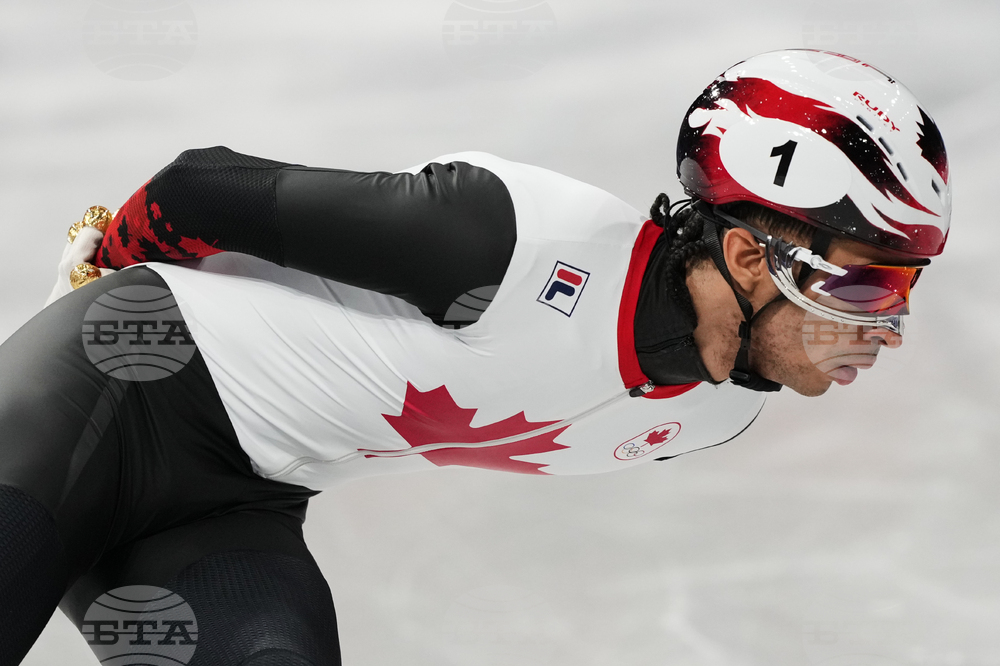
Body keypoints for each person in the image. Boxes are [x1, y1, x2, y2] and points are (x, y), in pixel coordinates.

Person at [2, 49, 950, 665]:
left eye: (905, 294)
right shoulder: (521, 245)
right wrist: (91, 321)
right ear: (748, 255)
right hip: (99, 395)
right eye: (864, 289)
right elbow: (200, 190)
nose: (886, 330)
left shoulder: (718, 408)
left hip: (232, 505)